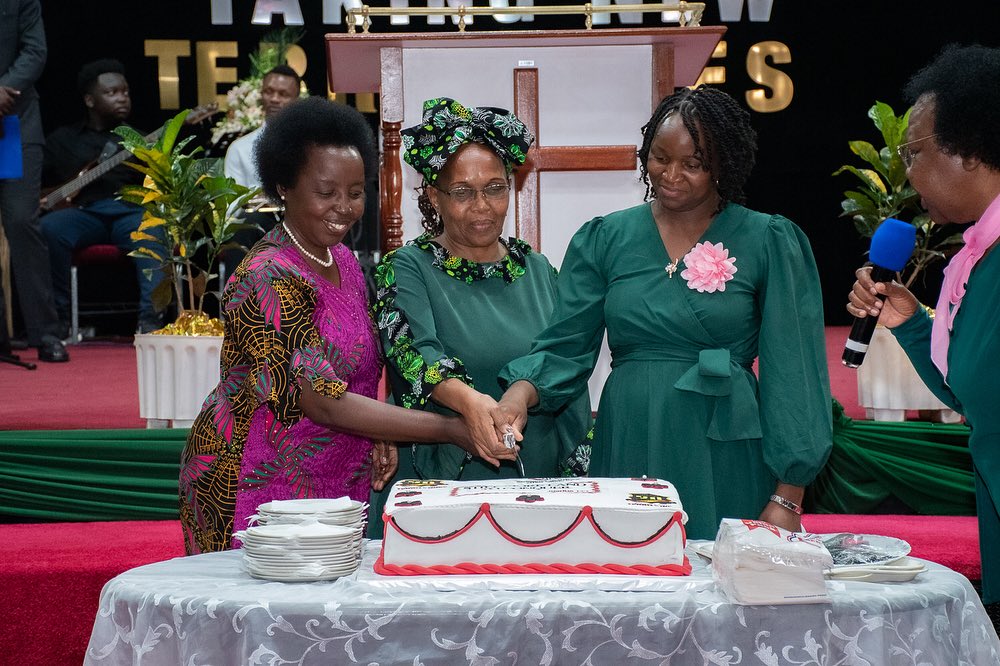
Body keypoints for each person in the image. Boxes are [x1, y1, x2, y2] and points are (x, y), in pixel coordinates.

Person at [179, 97, 516, 555]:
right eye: (326, 192)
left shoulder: (342, 260)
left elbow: (360, 369)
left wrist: (380, 429)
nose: (343, 207)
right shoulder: (267, 275)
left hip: (337, 472)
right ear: (283, 187)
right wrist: (451, 429)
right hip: (258, 478)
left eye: (355, 192)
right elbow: (321, 399)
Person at [498, 86, 833, 540]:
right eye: (659, 158)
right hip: (631, 433)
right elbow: (565, 346)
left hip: (724, 443)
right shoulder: (605, 238)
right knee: (631, 569)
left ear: (723, 164)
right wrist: (518, 395)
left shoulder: (768, 240)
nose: (670, 175)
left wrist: (789, 494)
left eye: (693, 164)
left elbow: (795, 373)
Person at [367, 97, 593, 532]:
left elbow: (565, 356)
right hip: (441, 482)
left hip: (535, 476)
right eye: (462, 192)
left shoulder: (538, 270)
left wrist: (521, 396)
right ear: (434, 196)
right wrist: (471, 403)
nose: (482, 206)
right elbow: (413, 354)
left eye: (494, 188)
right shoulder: (407, 267)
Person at [846, 44, 1000, 603]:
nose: (908, 174)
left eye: (914, 153)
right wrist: (910, 324)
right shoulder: (979, 257)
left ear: (971, 147)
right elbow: (970, 395)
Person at [39, 58, 164, 334]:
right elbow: (35, 180)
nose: (122, 98)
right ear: (89, 100)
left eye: (125, 92)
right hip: (84, 214)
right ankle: (58, 321)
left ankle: (150, 322)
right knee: (49, 228)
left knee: (152, 230)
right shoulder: (62, 140)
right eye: (111, 92)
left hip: (130, 212)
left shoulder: (141, 140)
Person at [0, 0, 68, 362]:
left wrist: (5, 87)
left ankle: (45, 333)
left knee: (20, 221)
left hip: (13, 122)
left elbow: (35, 50)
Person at [219, 64, 300, 276]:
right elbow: (231, 207)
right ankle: (238, 296)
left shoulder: (311, 147)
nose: (274, 99)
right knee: (245, 226)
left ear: (296, 100)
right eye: (269, 92)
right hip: (256, 226)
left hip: (301, 223)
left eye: (283, 94)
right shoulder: (240, 148)